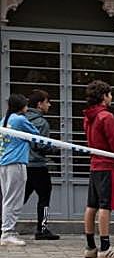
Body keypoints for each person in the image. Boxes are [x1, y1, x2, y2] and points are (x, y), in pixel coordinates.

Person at [83, 80, 114, 258]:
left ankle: (90, 246)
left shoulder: (88, 116)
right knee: (105, 206)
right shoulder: (106, 117)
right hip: (108, 166)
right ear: (104, 96)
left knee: (91, 205)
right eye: (110, 94)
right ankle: (105, 248)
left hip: (95, 164)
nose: (111, 98)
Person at [23, 90, 58, 240]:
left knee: (18, 197)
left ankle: (5, 225)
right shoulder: (41, 122)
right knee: (44, 197)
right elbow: (40, 145)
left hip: (22, 164)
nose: (49, 105)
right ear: (39, 104)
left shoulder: (20, 119)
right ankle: (42, 229)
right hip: (37, 166)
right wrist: (54, 148)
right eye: (47, 102)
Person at [1, 94, 36, 246]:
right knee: (14, 199)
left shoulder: (4, 120)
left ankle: (8, 231)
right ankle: (7, 232)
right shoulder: (20, 120)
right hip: (16, 162)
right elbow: (35, 134)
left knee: (8, 198)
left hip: (4, 163)